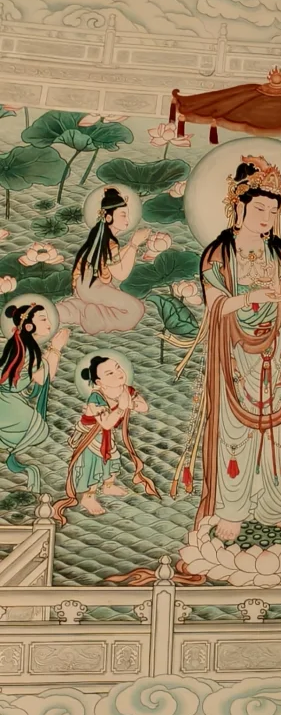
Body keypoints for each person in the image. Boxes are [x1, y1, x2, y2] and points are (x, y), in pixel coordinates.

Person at [174, 157, 281, 543]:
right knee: (234, 433)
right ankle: (231, 509)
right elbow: (216, 305)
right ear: (239, 206)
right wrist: (253, 297)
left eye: (273, 211)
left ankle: (276, 508)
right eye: (260, 209)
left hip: (276, 352)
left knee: (275, 432)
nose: (267, 218)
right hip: (235, 354)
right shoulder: (219, 254)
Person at [53, 355, 158, 521]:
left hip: (107, 436)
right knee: (94, 463)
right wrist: (121, 407)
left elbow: (144, 407)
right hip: (90, 436)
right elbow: (107, 423)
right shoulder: (96, 398)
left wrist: (130, 404)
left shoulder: (126, 390)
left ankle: (108, 486)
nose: (118, 373)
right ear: (99, 382)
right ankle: (88, 497)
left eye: (118, 367)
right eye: (110, 373)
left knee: (112, 459)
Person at [58, 187, 149, 334]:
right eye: (123, 215)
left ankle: (79, 309)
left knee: (121, 306)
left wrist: (130, 245)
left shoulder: (103, 238)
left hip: (88, 285)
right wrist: (134, 244)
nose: (128, 220)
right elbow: (121, 274)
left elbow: (114, 259)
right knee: (135, 309)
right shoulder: (108, 242)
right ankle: (93, 320)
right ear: (108, 217)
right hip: (91, 286)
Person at [0, 302, 69, 492]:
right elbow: (43, 377)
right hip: (5, 403)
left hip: (8, 400)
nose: (49, 323)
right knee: (38, 430)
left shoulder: (21, 345)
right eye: (43, 319)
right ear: (29, 326)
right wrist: (56, 348)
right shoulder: (27, 350)